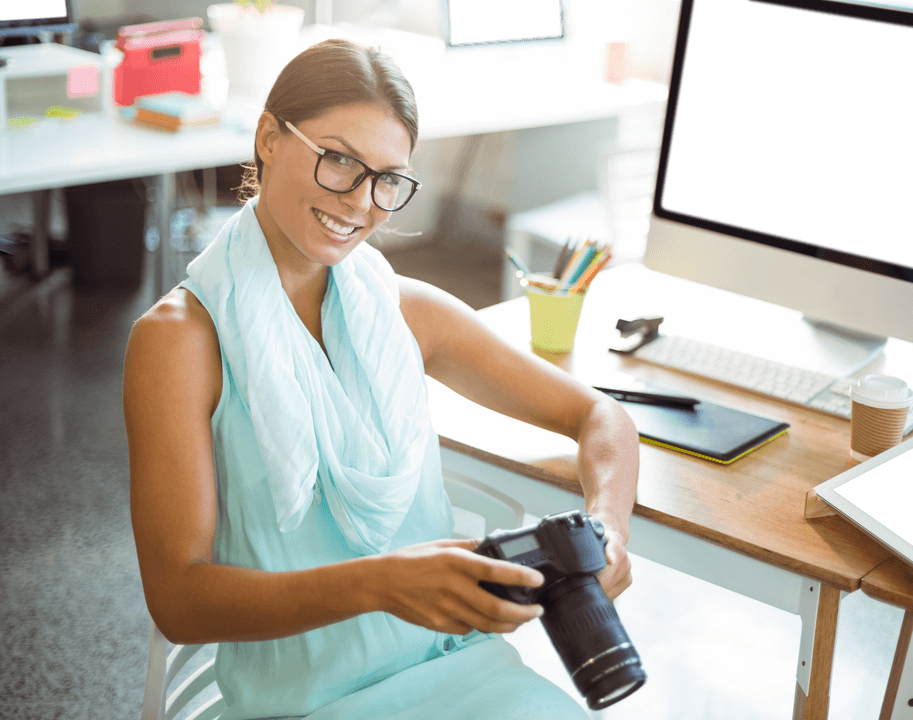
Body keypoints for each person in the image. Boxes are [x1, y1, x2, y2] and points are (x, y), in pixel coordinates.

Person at [123, 38, 639, 720]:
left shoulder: (407, 311)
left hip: (466, 674)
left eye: (387, 179)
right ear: (269, 138)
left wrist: (608, 528)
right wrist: (382, 584)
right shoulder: (177, 343)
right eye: (338, 160)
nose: (361, 202)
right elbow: (179, 601)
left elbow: (603, 419)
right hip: (301, 702)